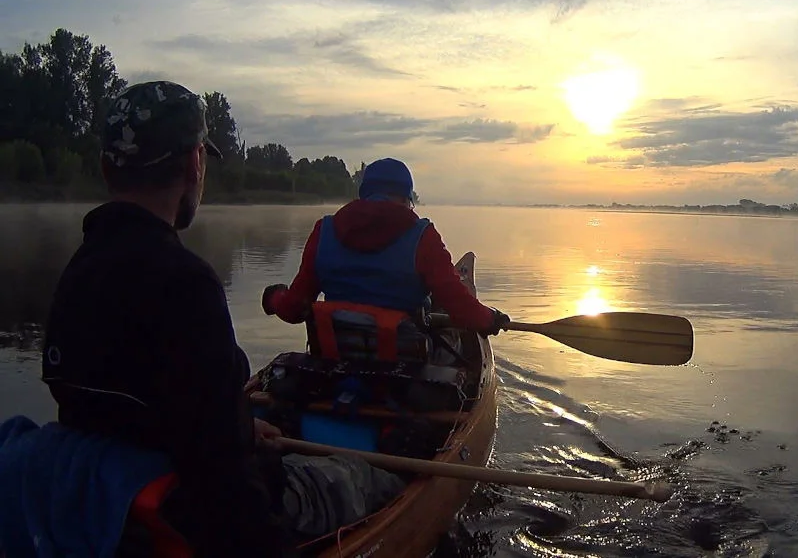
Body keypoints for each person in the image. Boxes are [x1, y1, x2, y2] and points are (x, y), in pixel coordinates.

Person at [21, 81, 401, 557]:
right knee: (372, 476)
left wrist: (240, 427)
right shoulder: (185, 285)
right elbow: (227, 488)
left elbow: (130, 411)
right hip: (186, 514)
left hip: (118, 507)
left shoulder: (76, 273)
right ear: (194, 164)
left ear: (104, 168)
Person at [261, 157, 509, 353]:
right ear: (405, 197)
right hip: (405, 371)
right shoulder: (423, 237)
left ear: (365, 194)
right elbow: (460, 307)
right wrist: (490, 319)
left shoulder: (323, 231)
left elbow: (294, 309)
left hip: (336, 360)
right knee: (449, 330)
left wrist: (275, 298)